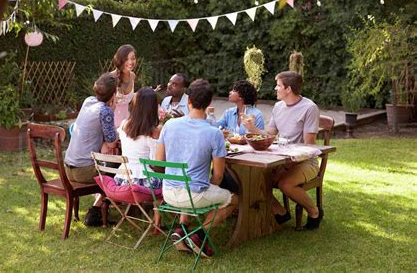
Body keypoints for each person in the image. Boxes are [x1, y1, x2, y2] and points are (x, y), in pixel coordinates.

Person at [156, 79, 238, 258]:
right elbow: (218, 175)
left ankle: (181, 228)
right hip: (193, 195)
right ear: (209, 103)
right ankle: (199, 234)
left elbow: (158, 161)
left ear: (189, 101)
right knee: (234, 199)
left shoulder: (169, 125)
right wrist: (207, 185)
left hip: (168, 193)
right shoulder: (214, 133)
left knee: (191, 183)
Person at [244, 71, 321, 230]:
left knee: (285, 184)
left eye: (278, 85)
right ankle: (280, 212)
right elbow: (270, 135)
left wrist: (288, 165)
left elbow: (309, 146)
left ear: (288, 89)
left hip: (306, 161)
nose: (275, 88)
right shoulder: (278, 107)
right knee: (253, 179)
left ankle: (315, 212)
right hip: (281, 159)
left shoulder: (309, 108)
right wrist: (253, 128)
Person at [65, 73, 119, 226]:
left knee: (111, 164)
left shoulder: (88, 101)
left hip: (69, 168)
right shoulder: (106, 111)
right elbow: (112, 142)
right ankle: (96, 211)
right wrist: (112, 110)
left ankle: (101, 207)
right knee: (119, 165)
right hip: (84, 171)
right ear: (113, 94)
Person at [114, 87, 162, 229]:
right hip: (143, 183)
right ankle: (157, 219)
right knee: (166, 177)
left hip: (123, 179)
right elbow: (155, 162)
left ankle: (147, 216)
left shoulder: (124, 124)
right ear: (153, 107)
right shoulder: (154, 131)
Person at [110, 44, 137, 128]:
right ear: (120, 60)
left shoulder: (132, 76)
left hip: (127, 123)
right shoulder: (111, 77)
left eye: (133, 58)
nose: (131, 62)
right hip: (111, 122)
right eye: (126, 59)